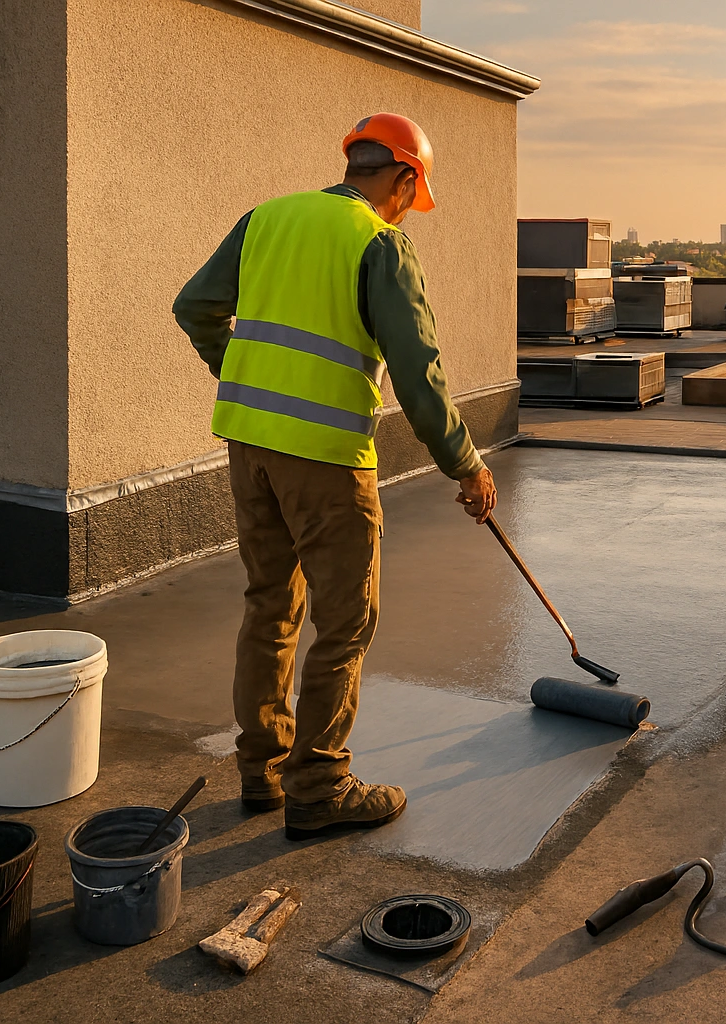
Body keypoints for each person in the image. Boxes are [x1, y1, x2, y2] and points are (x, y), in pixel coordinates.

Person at [172, 113, 497, 840]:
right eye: (417, 191)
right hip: (325, 461)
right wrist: (467, 465)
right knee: (345, 622)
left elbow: (193, 307)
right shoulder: (380, 243)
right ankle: (319, 787)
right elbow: (419, 377)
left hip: (250, 447)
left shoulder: (267, 218)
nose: (414, 206)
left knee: (269, 605)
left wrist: (238, 372)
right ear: (405, 178)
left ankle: (261, 772)